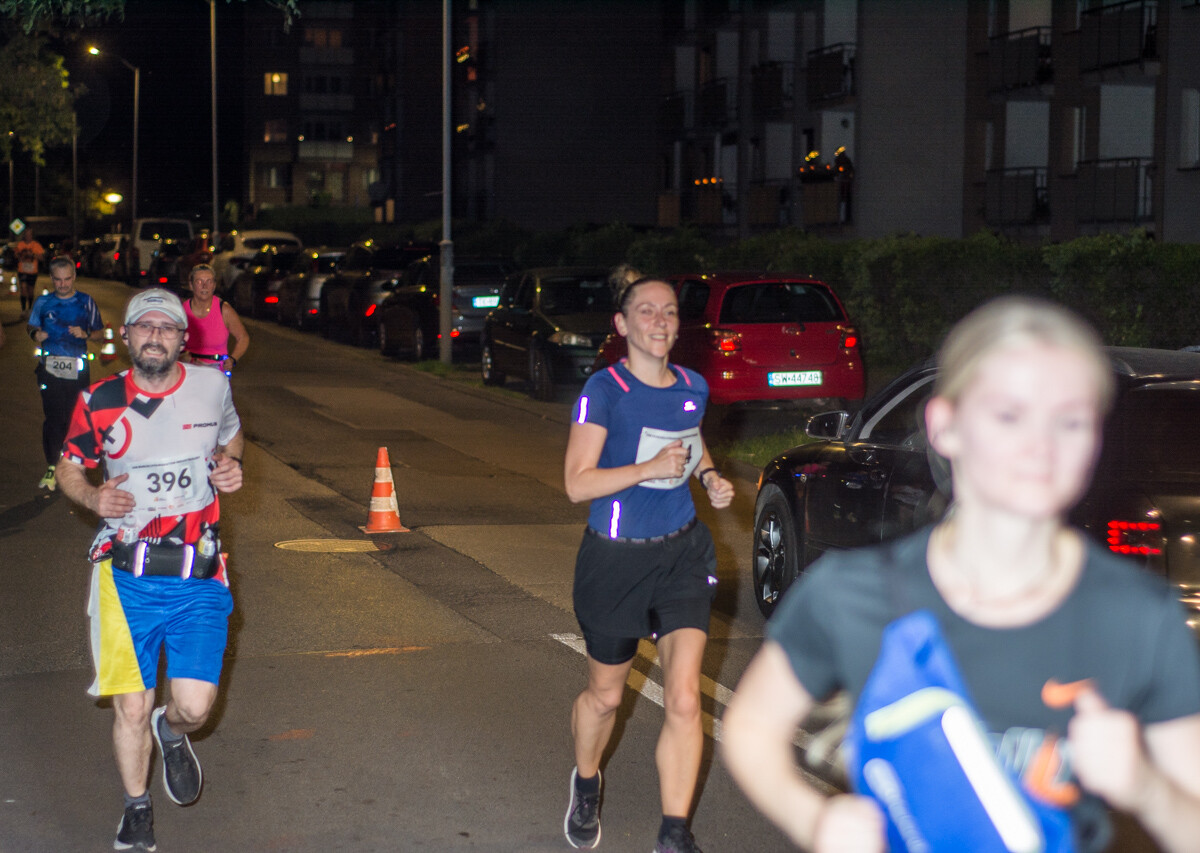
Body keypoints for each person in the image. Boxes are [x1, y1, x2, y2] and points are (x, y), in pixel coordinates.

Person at [721, 296, 1200, 853]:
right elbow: (752, 729)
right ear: (944, 426)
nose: (1041, 447)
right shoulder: (854, 594)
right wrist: (816, 821)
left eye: (1070, 420)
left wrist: (1145, 787)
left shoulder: (1138, 615)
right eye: (1008, 415)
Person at [55, 288, 244, 853]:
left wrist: (231, 463)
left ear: (183, 338)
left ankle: (172, 730)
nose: (155, 336)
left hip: (198, 577)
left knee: (193, 708)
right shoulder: (100, 399)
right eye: (145, 326)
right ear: (127, 335)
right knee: (130, 706)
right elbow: (68, 467)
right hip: (126, 581)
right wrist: (93, 498)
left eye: (167, 327)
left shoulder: (212, 386)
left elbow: (231, 434)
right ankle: (137, 810)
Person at [563, 276, 734, 853]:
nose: (660, 321)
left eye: (669, 312)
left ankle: (673, 834)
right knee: (606, 697)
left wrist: (708, 474)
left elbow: (691, 435)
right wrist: (647, 469)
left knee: (685, 698)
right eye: (646, 311)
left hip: (681, 554)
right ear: (622, 324)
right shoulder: (604, 390)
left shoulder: (692, 384)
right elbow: (576, 484)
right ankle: (587, 783)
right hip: (615, 560)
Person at [26, 255, 104, 491]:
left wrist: (86, 334)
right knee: (53, 417)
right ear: (51, 278)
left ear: (74, 277)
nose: (63, 284)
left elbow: (100, 334)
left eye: (67, 279)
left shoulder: (85, 302)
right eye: (58, 280)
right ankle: (52, 466)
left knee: (75, 418)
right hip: (49, 368)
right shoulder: (43, 302)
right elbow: (31, 326)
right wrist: (35, 335)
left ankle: (73, 464)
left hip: (77, 370)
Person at [181, 263, 249, 374]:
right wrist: (180, 356)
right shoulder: (182, 310)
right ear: (191, 285)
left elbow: (243, 337)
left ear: (214, 285)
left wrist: (232, 359)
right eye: (199, 282)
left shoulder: (224, 310)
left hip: (216, 369)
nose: (205, 286)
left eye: (209, 281)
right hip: (188, 368)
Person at [15, 227, 46, 316]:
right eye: (26, 234)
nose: (28, 236)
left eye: (29, 234)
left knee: (30, 291)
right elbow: (16, 255)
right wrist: (21, 255)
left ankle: (29, 308)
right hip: (22, 271)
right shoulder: (20, 244)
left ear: (32, 236)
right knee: (23, 288)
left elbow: (41, 258)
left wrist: (33, 254)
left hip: (32, 272)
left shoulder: (36, 245)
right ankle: (23, 309)